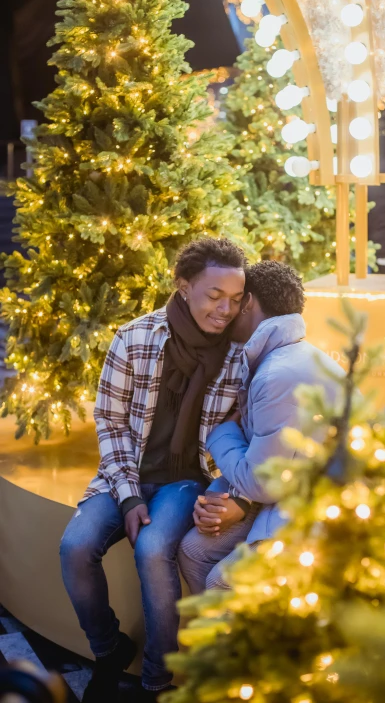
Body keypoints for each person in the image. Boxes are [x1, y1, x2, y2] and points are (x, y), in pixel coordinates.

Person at [59, 237, 252, 703]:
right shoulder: (134, 338)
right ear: (183, 287)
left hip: (187, 479)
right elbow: (110, 421)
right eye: (214, 295)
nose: (226, 310)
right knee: (75, 547)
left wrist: (235, 497)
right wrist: (127, 495)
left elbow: (241, 437)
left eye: (235, 299)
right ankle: (109, 649)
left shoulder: (239, 356)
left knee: (152, 549)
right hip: (124, 472)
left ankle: (156, 680)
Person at [178, 261, 344, 593]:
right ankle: (220, 640)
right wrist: (232, 501)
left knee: (221, 582)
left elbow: (263, 482)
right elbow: (271, 459)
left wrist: (220, 433)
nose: (227, 312)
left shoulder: (277, 374)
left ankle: (235, 639)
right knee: (192, 551)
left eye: (236, 301)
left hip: (316, 507)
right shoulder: (280, 358)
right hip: (287, 492)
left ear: (250, 302)